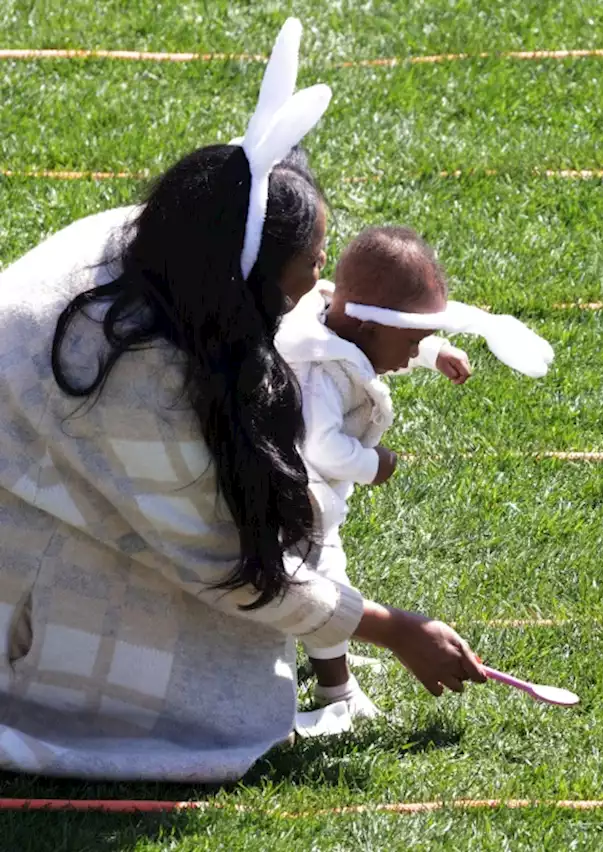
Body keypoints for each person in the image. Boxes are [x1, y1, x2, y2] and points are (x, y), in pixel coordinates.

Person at [0, 18, 484, 783]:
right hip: (19, 533)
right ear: (246, 284)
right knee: (201, 681)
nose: (322, 288)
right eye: (312, 267)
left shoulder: (180, 244)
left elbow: (297, 310)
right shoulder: (133, 381)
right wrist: (394, 630)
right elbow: (223, 564)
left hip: (42, 475)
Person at [276, 226, 472, 724]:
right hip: (295, 498)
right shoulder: (320, 372)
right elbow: (321, 445)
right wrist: (373, 463)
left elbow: (390, 329)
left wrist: (434, 352)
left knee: (326, 581)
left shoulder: (343, 322)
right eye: (412, 343)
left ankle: (331, 663)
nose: (411, 353)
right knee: (327, 586)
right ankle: (336, 694)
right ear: (368, 327)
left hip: (313, 496)